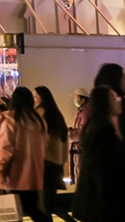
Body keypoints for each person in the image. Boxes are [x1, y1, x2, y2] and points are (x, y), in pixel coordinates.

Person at [72, 86, 125, 222]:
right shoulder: (103, 130)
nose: (118, 100)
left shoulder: (101, 126)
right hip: (106, 199)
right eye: (114, 98)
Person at [0, 86, 49, 222]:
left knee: (14, 212)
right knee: (32, 208)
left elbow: (6, 147)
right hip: (33, 174)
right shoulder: (38, 120)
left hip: (14, 173)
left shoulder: (9, 119)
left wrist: (1, 170)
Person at [34, 86, 70, 222]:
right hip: (55, 164)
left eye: (35, 96)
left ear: (42, 98)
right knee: (48, 204)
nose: (33, 99)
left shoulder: (41, 115)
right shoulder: (56, 114)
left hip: (45, 163)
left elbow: (41, 140)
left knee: (46, 205)